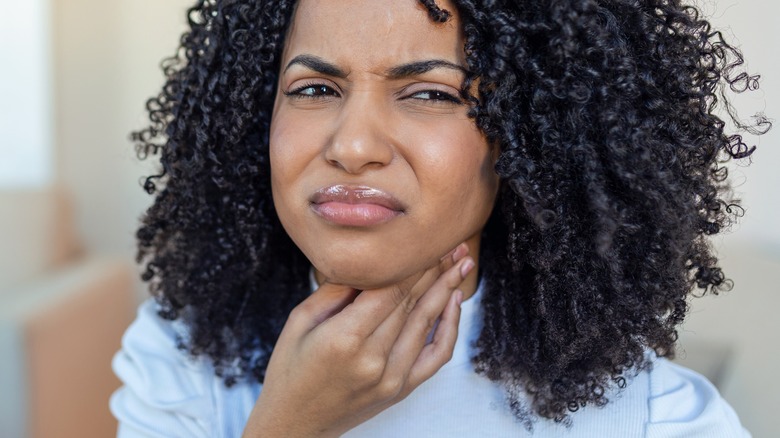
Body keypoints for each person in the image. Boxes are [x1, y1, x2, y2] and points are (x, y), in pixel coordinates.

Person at [110, 0, 769, 436]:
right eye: (314, 89)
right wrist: (291, 423)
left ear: (528, 138)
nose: (353, 146)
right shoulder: (179, 361)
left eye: (428, 93)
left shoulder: (653, 419)